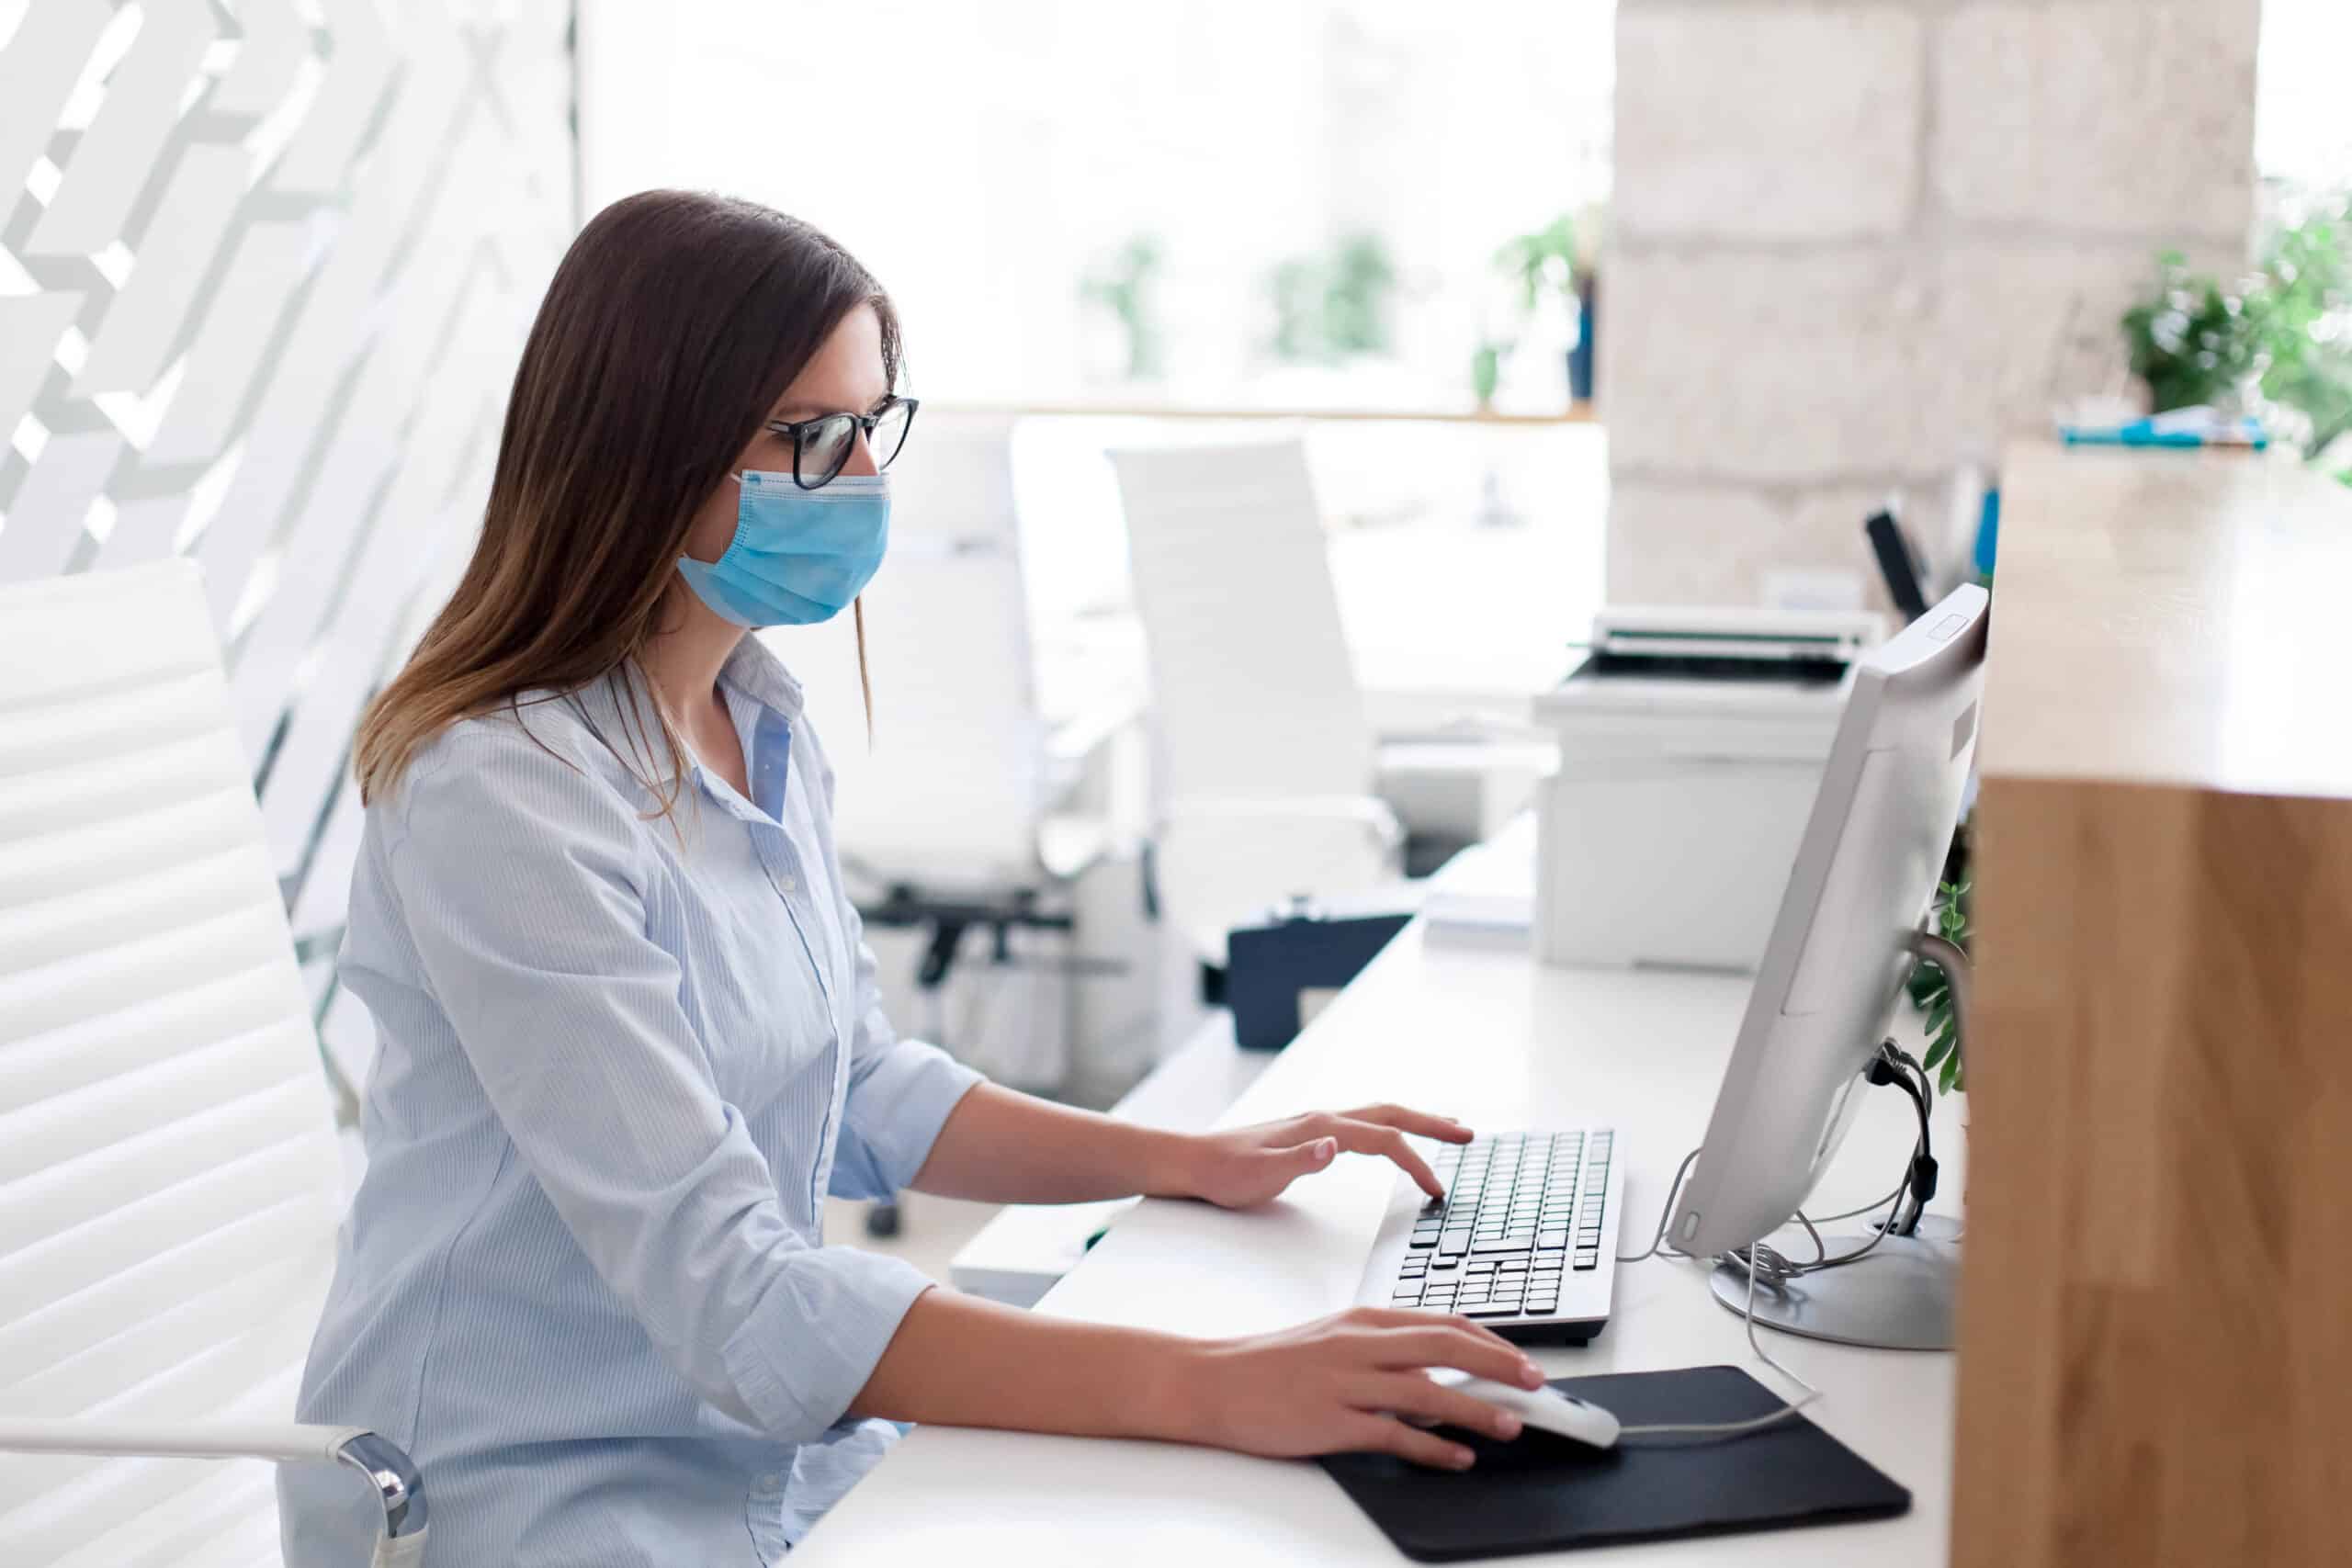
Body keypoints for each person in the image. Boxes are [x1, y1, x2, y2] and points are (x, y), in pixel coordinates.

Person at [282, 190, 1540, 1566]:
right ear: (650, 445)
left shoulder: (756, 720)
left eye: (876, 422)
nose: (867, 475)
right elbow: (738, 1300)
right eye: (814, 437)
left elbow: (861, 1086)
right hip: (522, 1498)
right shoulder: (504, 791)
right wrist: (1214, 1387)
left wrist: (1192, 1158)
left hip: (759, 1457)